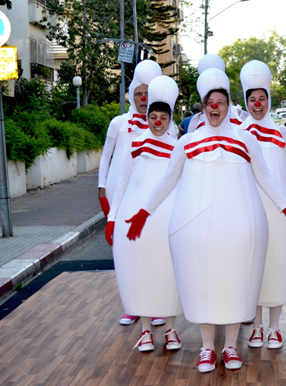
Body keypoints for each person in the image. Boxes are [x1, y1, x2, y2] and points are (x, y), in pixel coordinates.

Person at [125, 68, 286, 373]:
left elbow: (264, 176)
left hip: (240, 230)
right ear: (202, 105)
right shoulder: (187, 143)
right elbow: (168, 181)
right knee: (204, 285)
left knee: (235, 285)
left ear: (228, 106)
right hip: (198, 231)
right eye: (209, 102)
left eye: (221, 102)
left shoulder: (245, 139)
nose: (215, 108)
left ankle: (231, 347)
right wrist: (144, 211)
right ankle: (208, 349)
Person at [105, 75, 183, 352]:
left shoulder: (178, 148)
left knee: (169, 273)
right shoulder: (136, 143)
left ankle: (171, 330)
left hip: (167, 220)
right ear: (147, 117)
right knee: (140, 273)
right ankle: (146, 330)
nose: (158, 121)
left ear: (170, 118)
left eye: (163, 117)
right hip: (133, 218)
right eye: (154, 116)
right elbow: (122, 183)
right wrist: (113, 216)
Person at [237, 60, 286, 350]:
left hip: (282, 214)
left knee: (277, 267)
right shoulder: (238, 134)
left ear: (269, 98)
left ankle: (275, 327)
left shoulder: (284, 134)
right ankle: (255, 326)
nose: (257, 104)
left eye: (261, 99)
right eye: (252, 100)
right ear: (246, 101)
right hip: (250, 211)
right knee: (254, 269)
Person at [96, 59, 164, 327]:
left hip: (150, 196)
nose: (143, 98)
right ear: (131, 94)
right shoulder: (118, 123)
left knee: (154, 249)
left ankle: (158, 304)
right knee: (125, 253)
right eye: (139, 93)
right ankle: (131, 305)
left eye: (148, 93)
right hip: (119, 193)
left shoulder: (162, 125)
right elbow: (105, 157)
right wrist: (102, 190)